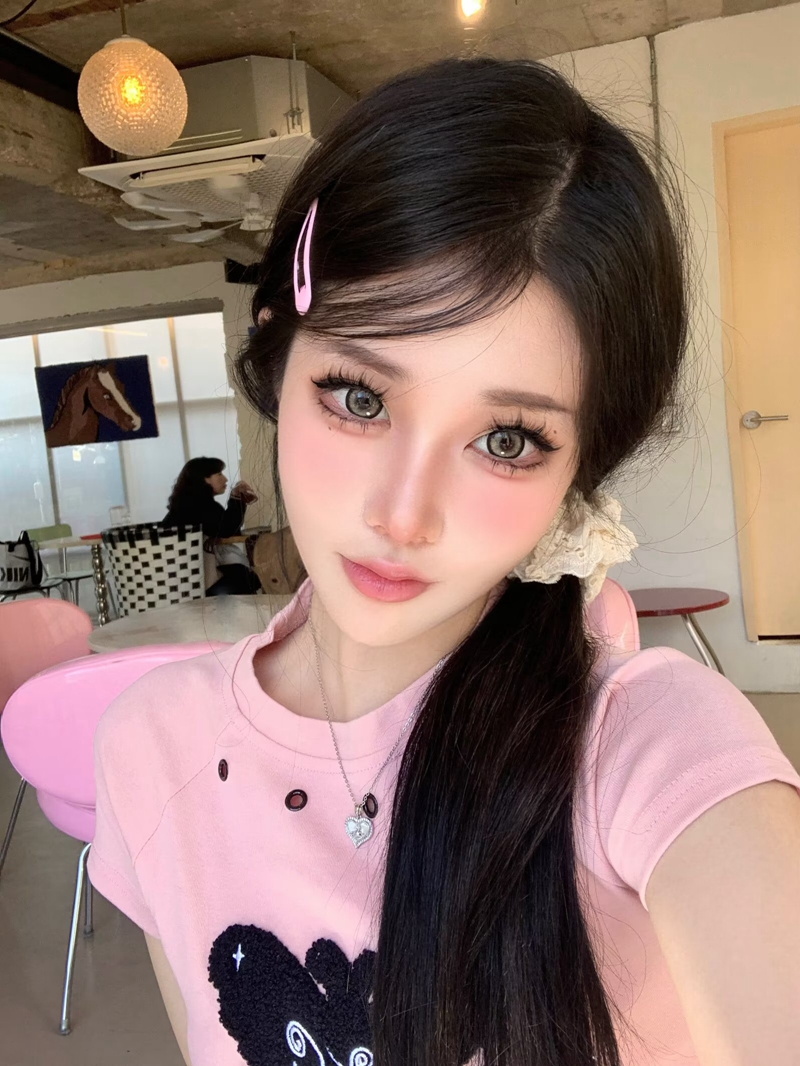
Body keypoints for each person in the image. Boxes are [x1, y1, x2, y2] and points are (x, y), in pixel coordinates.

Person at [88, 58, 800, 1066]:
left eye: (506, 440)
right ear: (275, 360)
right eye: (359, 397)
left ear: (578, 470)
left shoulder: (644, 748)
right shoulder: (151, 747)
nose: (402, 513)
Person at [163, 457, 261, 595]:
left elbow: (225, 528)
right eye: (219, 474)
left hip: (178, 576)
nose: (225, 479)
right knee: (247, 579)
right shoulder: (201, 505)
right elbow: (228, 529)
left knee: (244, 576)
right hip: (195, 580)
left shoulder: (186, 504)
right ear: (204, 479)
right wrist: (236, 498)